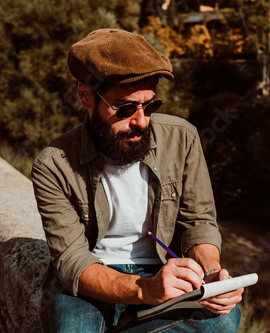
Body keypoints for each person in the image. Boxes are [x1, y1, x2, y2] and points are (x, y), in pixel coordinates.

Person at [31, 28, 243, 332]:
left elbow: (199, 223)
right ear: (85, 95)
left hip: (163, 270)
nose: (141, 121)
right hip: (93, 275)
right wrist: (145, 290)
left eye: (151, 105)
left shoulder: (182, 138)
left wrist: (212, 274)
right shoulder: (52, 164)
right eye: (126, 108)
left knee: (222, 321)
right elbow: (73, 261)